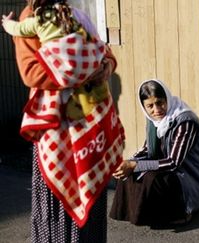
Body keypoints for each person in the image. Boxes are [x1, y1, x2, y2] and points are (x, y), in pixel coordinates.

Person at [2, 1, 125, 242]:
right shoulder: (31, 16)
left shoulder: (74, 13)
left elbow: (104, 51)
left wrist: (107, 66)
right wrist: (83, 71)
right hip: (56, 130)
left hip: (88, 128)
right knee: (57, 203)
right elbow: (31, 72)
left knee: (91, 192)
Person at [109, 79, 199, 226]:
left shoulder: (185, 122)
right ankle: (144, 215)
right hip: (174, 170)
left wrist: (135, 165)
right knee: (130, 172)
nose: (156, 110)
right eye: (150, 106)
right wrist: (126, 163)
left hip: (193, 177)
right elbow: (147, 149)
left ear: (167, 98)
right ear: (144, 107)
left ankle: (184, 212)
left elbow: (173, 162)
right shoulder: (154, 121)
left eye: (160, 102)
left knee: (151, 177)